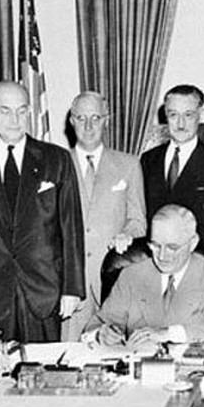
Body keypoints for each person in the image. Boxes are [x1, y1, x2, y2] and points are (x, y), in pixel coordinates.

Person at [0, 81, 84, 342]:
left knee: (42, 375)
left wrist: (72, 288)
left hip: (43, 292)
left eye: (21, 111)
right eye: (5, 111)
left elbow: (71, 226)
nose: (14, 119)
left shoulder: (56, 159)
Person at [86, 205, 204, 354]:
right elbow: (95, 324)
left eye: (172, 247)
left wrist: (169, 334)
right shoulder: (131, 276)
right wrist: (101, 334)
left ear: (193, 243)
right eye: (155, 245)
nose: (162, 256)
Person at [62, 91, 146, 341]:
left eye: (96, 118)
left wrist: (127, 234)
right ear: (71, 121)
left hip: (113, 282)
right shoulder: (56, 163)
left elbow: (138, 220)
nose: (88, 126)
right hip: (70, 286)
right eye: (81, 118)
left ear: (106, 120)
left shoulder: (129, 165)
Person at [140, 84, 204, 265]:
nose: (180, 124)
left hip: (198, 263)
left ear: (200, 113)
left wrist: (181, 243)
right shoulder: (148, 160)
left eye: (188, 115)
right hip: (154, 261)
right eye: (173, 115)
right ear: (165, 116)